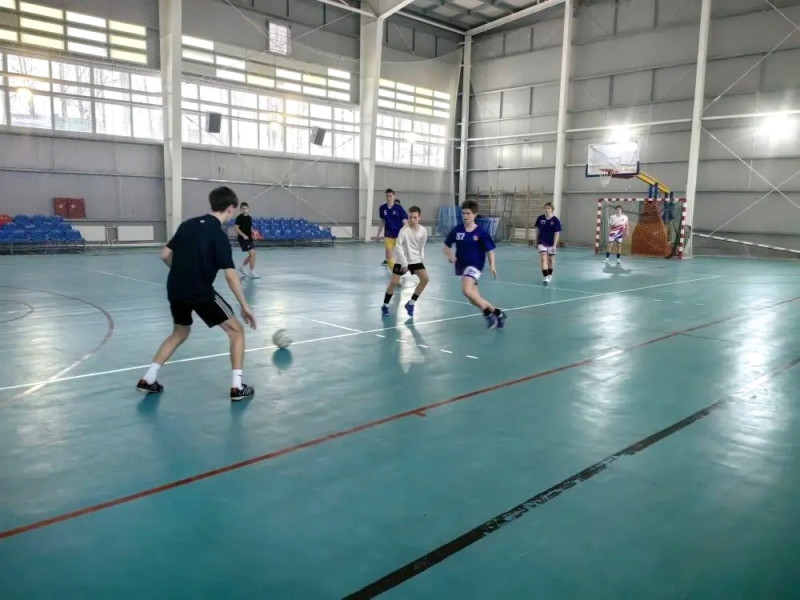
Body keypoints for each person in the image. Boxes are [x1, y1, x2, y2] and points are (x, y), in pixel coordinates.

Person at [136, 186, 257, 401]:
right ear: (230, 208)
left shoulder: (187, 225)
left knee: (180, 332)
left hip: (175, 288)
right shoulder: (218, 236)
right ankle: (237, 387)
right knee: (236, 331)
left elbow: (165, 254)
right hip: (200, 291)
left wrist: (181, 273)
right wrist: (245, 306)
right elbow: (231, 276)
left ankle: (148, 378)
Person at [443, 200, 507, 329]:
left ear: (475, 214)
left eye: (468, 213)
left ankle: (488, 315)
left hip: (475, 265)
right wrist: (450, 255)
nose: (465, 216)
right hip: (461, 267)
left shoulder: (481, 233)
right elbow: (446, 246)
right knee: (474, 299)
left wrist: (492, 265)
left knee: (466, 290)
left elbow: (490, 251)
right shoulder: (458, 230)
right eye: (463, 213)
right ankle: (499, 314)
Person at [381, 206, 429, 318]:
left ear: (419, 218)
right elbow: (398, 247)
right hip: (402, 260)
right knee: (394, 282)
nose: (412, 219)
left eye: (415, 217)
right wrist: (404, 263)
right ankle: (385, 305)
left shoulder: (423, 231)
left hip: (416, 259)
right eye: (410, 217)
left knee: (425, 279)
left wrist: (421, 259)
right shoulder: (404, 230)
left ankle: (411, 303)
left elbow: (421, 246)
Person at [376, 189, 408, 271]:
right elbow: (382, 221)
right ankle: (395, 273)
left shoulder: (399, 208)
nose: (388, 198)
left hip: (398, 236)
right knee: (388, 257)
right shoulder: (382, 208)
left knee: (400, 256)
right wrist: (378, 234)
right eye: (387, 196)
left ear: (394, 196)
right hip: (388, 235)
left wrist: (407, 233)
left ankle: (402, 270)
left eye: (390, 196)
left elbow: (404, 221)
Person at [534, 202, 562, 285]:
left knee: (550, 259)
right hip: (541, 242)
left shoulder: (555, 220)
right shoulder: (540, 218)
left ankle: (550, 274)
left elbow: (557, 233)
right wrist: (536, 240)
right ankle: (545, 277)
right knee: (543, 258)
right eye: (545, 208)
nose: (547, 210)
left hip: (551, 243)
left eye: (548, 208)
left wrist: (554, 245)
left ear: (552, 209)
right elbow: (538, 230)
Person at [232, 202, 260, 279]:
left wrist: (254, 233)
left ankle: (241, 267)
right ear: (240, 210)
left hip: (249, 238)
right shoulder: (239, 217)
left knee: (252, 254)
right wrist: (243, 235)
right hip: (242, 238)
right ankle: (251, 272)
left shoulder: (249, 217)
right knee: (252, 253)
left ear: (248, 209)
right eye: (243, 209)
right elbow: (236, 227)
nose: (244, 210)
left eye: (246, 208)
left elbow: (250, 227)